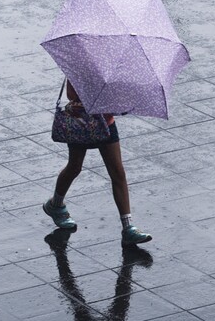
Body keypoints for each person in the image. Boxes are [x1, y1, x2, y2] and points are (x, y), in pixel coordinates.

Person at [42, 80, 152, 246]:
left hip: (106, 123)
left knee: (117, 172)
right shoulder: (79, 62)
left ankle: (128, 228)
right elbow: (71, 94)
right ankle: (55, 205)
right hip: (81, 122)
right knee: (74, 166)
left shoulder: (112, 67)